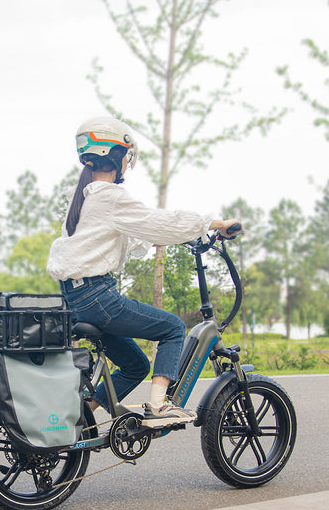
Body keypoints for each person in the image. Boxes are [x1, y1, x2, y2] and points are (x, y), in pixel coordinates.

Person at [46, 116, 242, 426]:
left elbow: (120, 231)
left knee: (136, 365)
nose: (127, 163)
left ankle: (82, 415)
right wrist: (213, 224)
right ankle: (158, 407)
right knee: (173, 328)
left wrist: (158, 237)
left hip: (75, 299)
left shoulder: (82, 195)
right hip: (99, 299)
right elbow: (159, 221)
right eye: (126, 156)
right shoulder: (109, 195)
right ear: (115, 155)